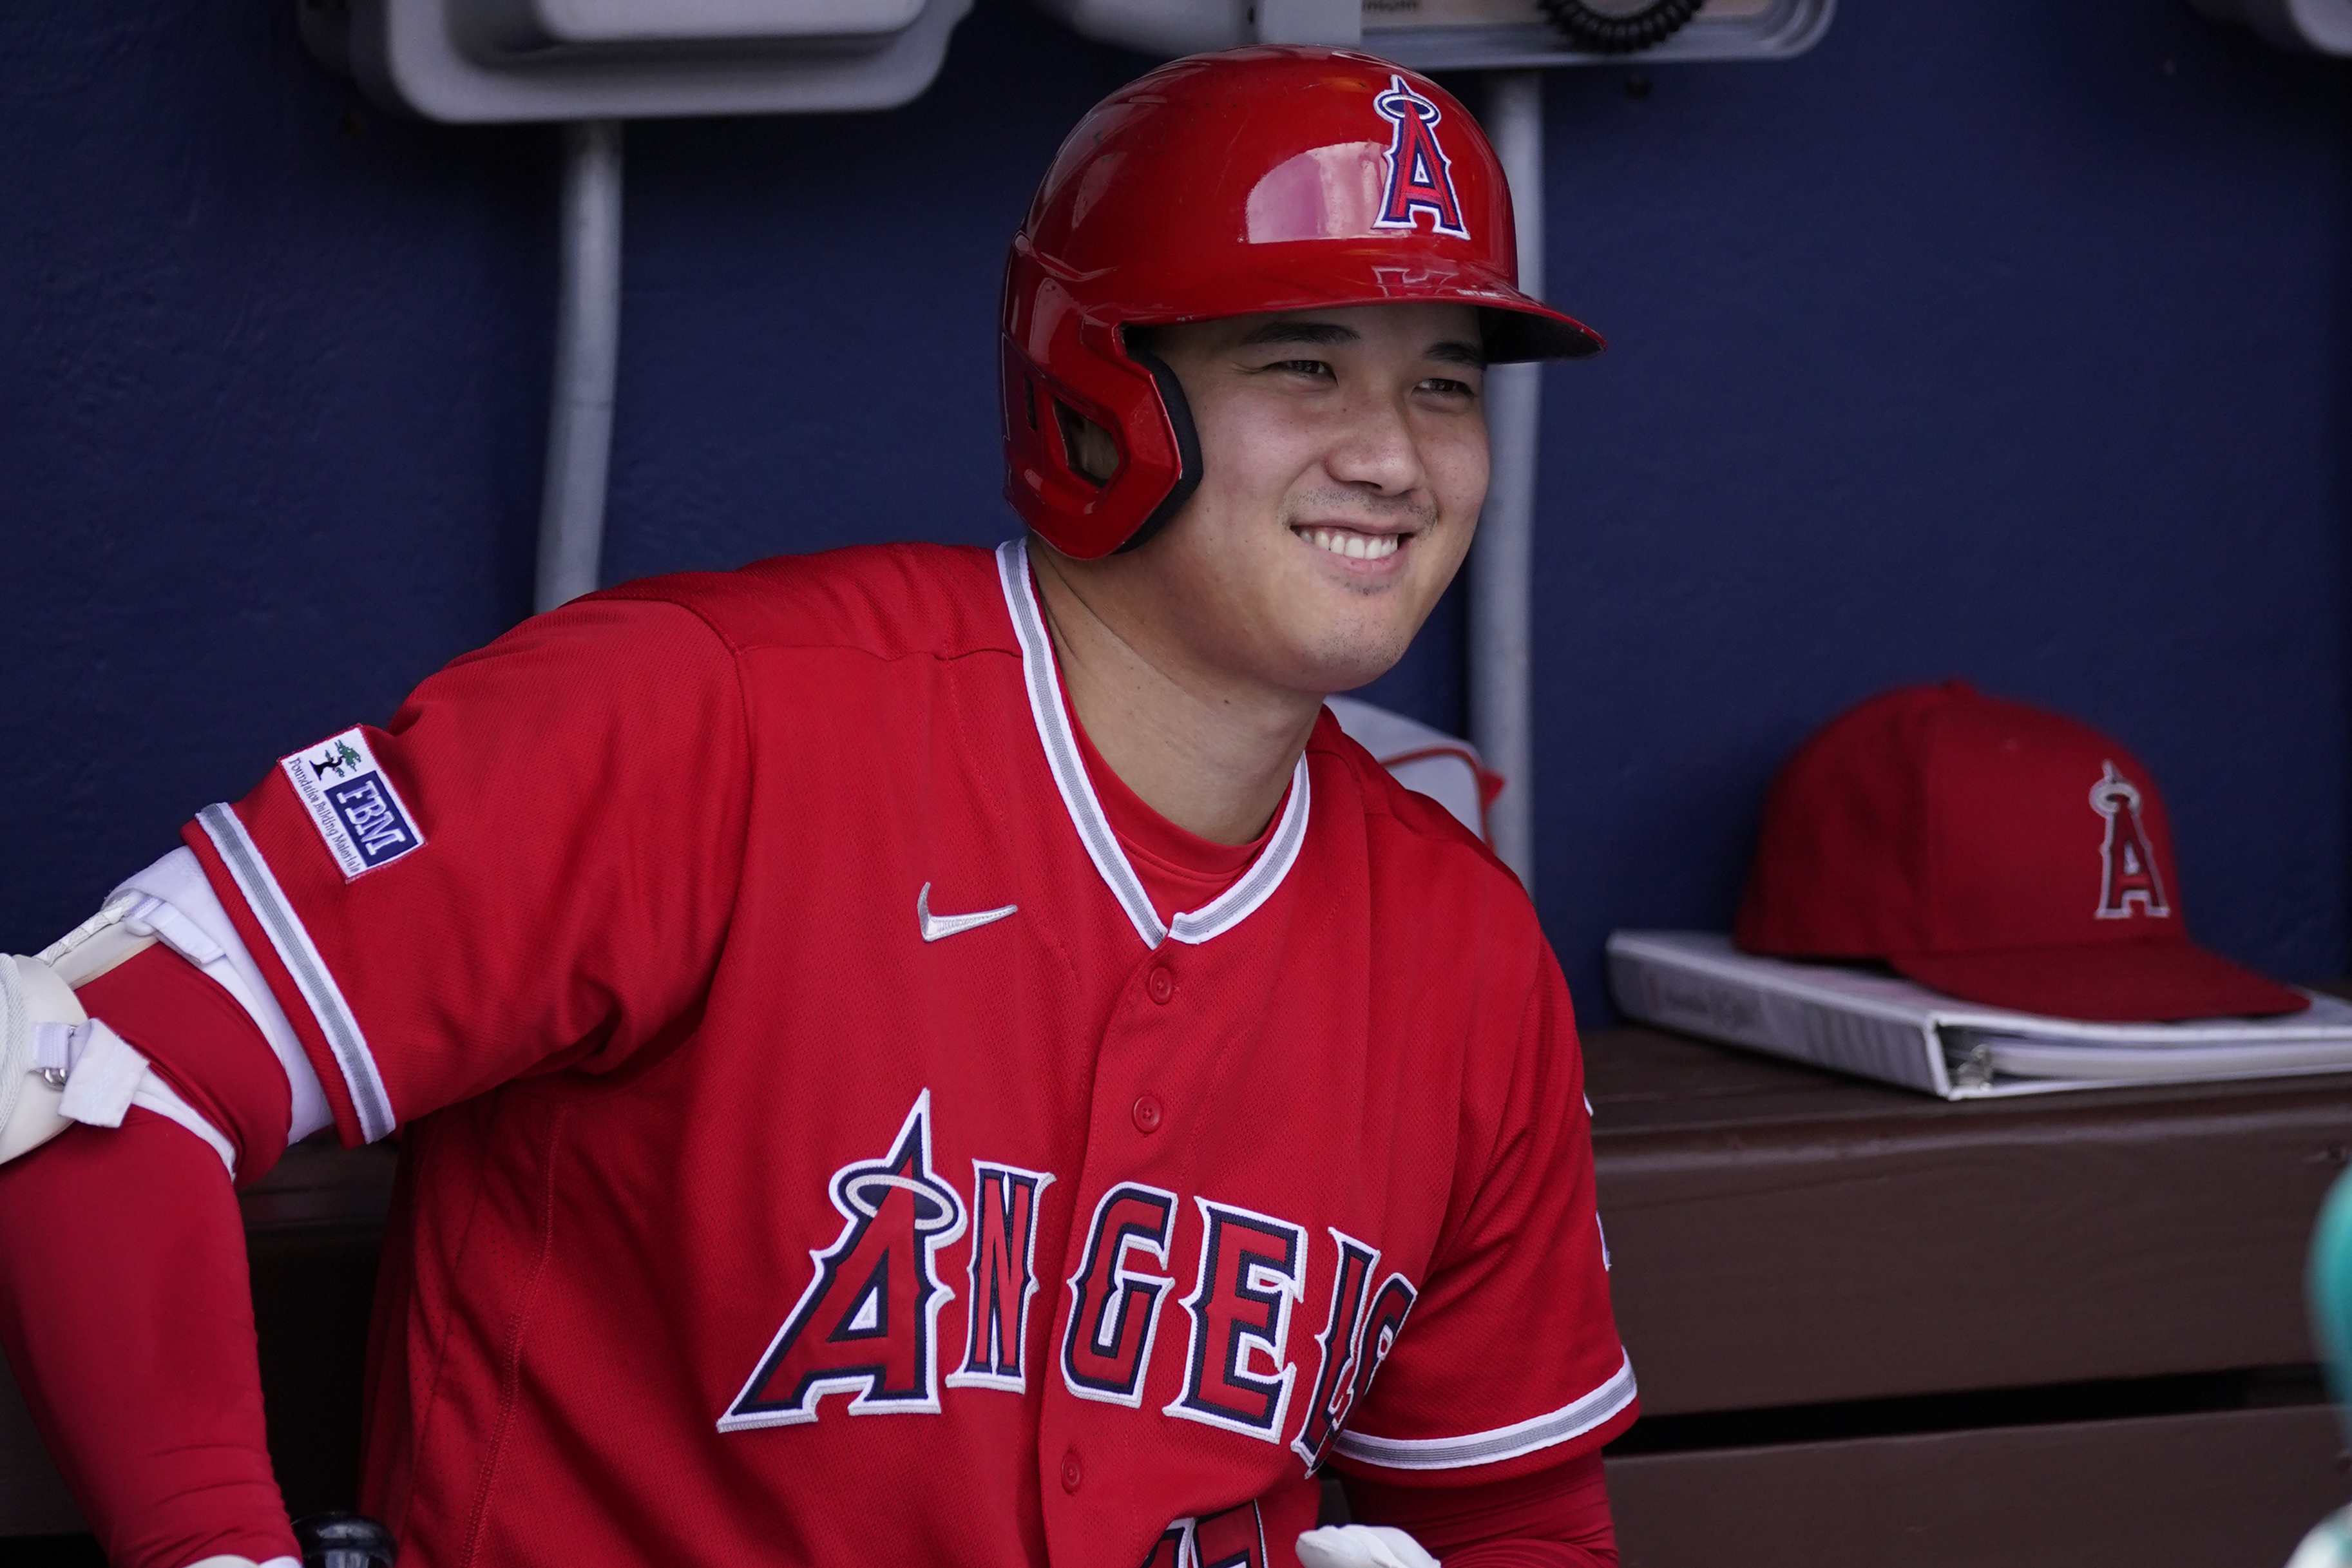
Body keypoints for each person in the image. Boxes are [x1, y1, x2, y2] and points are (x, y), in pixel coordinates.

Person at [0, 44, 1634, 1568]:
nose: (1396, 459)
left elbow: (1519, 1509)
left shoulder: (1459, 948)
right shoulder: (693, 718)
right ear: (1098, 386)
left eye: (1443, 385)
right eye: (1304, 362)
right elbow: (84, 1070)